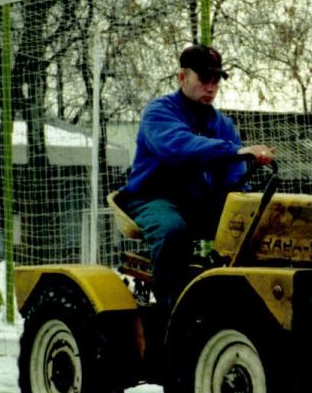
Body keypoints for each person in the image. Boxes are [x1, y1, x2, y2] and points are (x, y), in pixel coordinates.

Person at [117, 44, 275, 306]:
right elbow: (181, 148)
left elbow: (233, 178)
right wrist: (237, 151)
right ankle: (173, 308)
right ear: (182, 77)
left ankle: (243, 298)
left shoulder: (222, 124)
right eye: (204, 79)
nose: (211, 87)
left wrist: (243, 203)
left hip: (198, 202)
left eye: (215, 80)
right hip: (154, 198)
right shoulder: (159, 113)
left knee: (254, 223)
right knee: (173, 231)